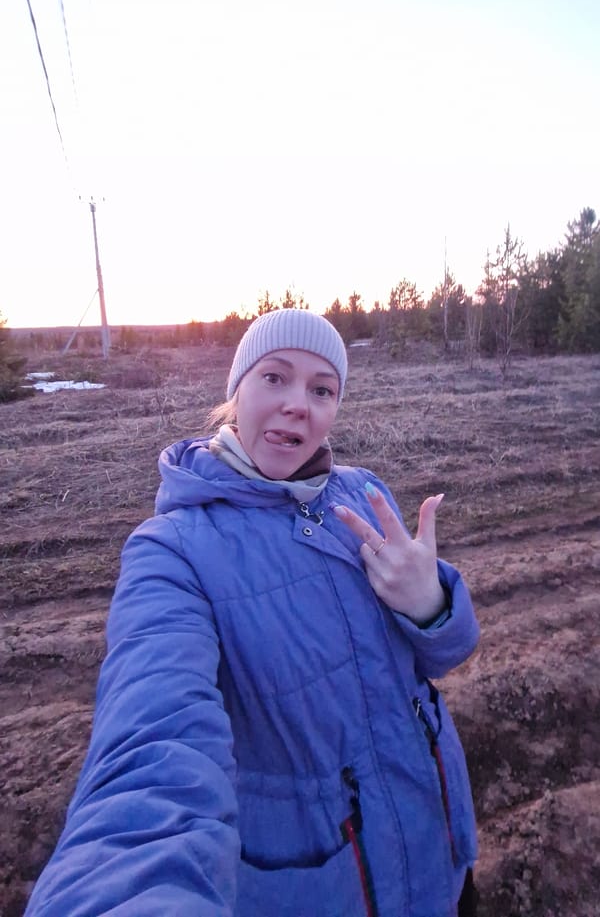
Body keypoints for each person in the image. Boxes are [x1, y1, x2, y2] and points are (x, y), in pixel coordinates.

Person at [25, 308, 479, 917]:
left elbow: (446, 656)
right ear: (235, 389)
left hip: (442, 854)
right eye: (275, 377)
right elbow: (152, 752)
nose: (299, 403)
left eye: (322, 389)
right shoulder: (173, 552)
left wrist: (431, 605)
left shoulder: (364, 494)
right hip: (331, 888)